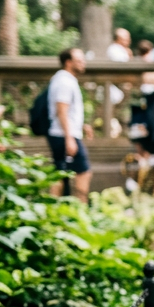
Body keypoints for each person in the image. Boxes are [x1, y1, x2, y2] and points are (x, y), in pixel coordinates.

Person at [48, 48, 93, 202]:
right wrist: (69, 138)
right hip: (64, 135)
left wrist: (81, 126)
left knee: (60, 174)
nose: (83, 63)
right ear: (68, 62)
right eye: (79, 60)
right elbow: (61, 111)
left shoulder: (64, 79)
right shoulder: (64, 81)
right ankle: (80, 211)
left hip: (63, 133)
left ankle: (51, 209)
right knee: (83, 172)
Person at [126, 41, 154, 195]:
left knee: (149, 151)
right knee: (141, 151)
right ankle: (137, 185)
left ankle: (147, 188)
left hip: (148, 121)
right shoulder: (138, 81)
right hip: (142, 120)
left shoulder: (150, 80)